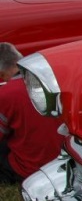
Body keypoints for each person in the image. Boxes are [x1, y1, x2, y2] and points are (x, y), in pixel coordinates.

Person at [0, 43, 65, 184]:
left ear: (2, 73)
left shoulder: (5, 95)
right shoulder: (55, 79)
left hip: (31, 169)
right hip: (65, 158)